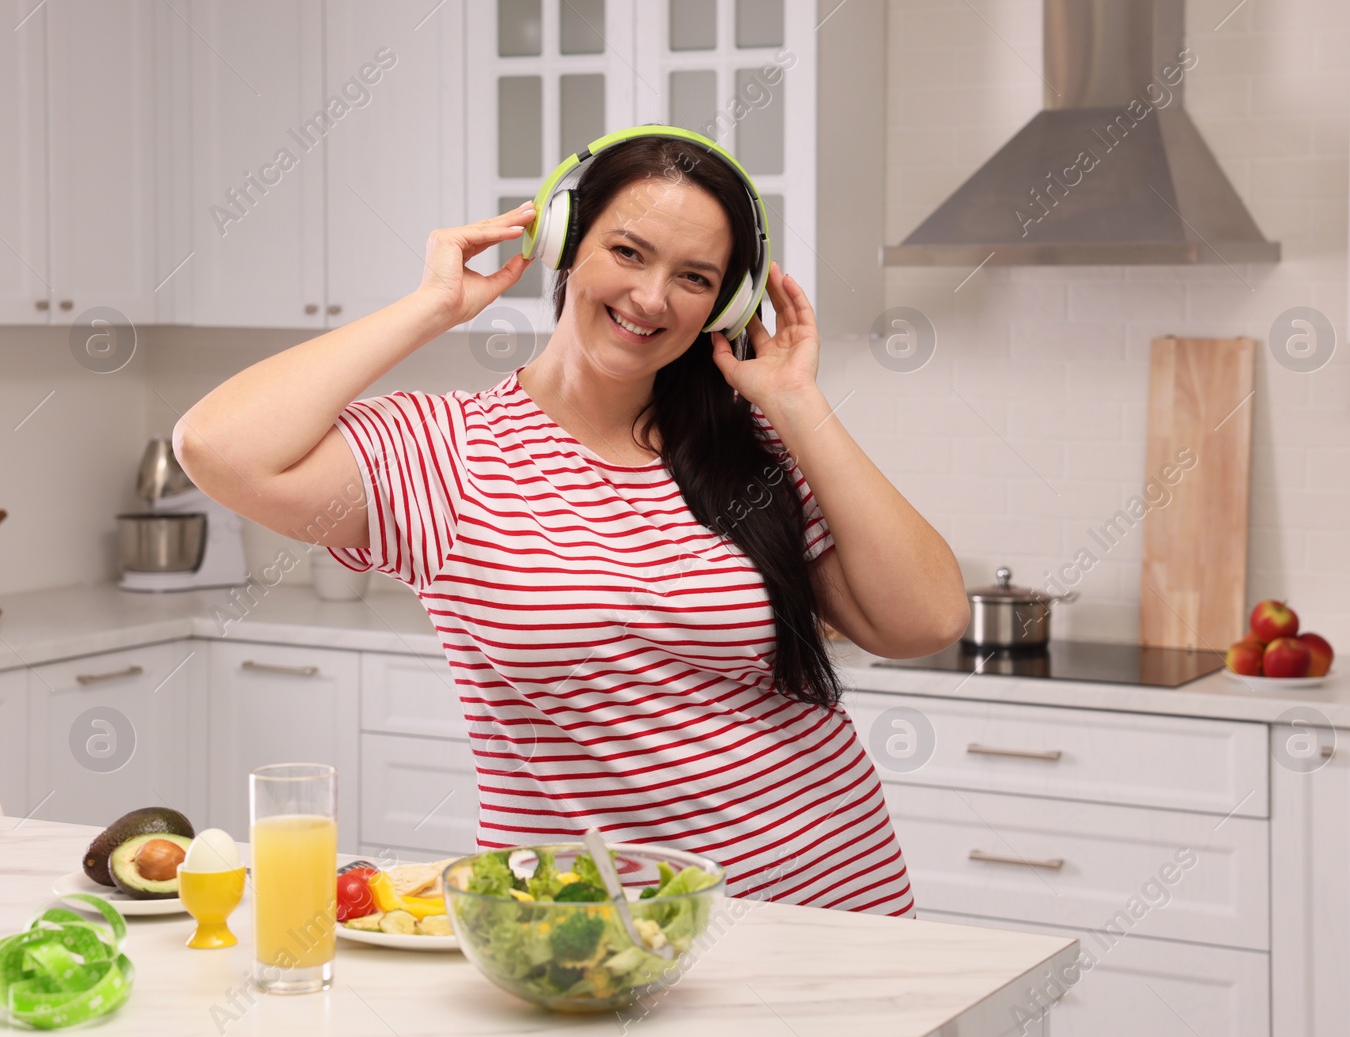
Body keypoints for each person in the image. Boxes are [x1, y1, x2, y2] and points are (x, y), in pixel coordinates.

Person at [175, 127, 969, 916]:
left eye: (694, 277)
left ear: (725, 302)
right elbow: (218, 447)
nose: (653, 298)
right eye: (627, 252)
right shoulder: (445, 453)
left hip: (832, 898)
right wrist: (433, 308)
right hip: (584, 930)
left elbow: (927, 620)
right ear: (563, 242)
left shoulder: (754, 445)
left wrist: (799, 404)